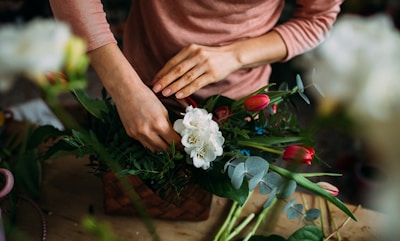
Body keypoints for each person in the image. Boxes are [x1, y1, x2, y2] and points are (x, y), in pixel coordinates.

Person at [49, 0, 343, 152]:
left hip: (241, 105)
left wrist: (234, 56)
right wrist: (125, 89)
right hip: (136, 89)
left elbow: (317, 18)